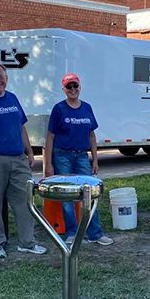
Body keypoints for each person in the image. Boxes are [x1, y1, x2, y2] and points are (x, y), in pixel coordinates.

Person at [0, 62, 47, 259]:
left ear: (6, 78)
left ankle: (27, 242)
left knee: (25, 202)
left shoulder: (12, 98)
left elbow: (21, 127)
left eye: (0, 76)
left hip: (18, 159)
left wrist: (30, 152)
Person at [44, 73, 114, 246]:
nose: (73, 90)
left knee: (89, 192)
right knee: (68, 194)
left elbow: (91, 135)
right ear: (64, 89)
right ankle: (72, 233)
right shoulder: (59, 109)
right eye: (69, 87)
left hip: (82, 155)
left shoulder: (87, 108)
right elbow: (50, 137)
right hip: (62, 155)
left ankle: (95, 233)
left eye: (75, 86)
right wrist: (49, 164)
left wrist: (95, 160)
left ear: (80, 87)